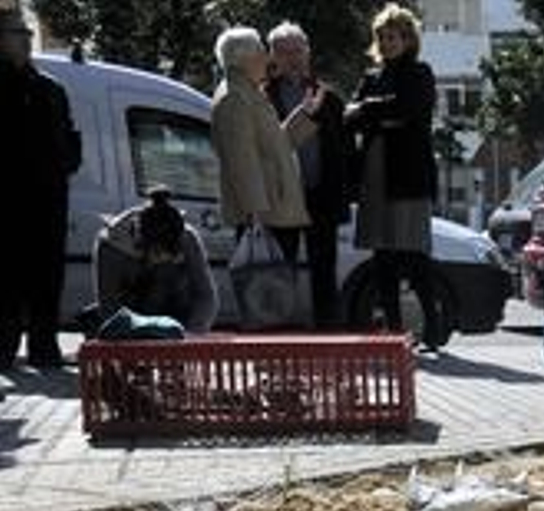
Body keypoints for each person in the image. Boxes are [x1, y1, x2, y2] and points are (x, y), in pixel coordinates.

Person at [346, 5, 445, 349]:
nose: (387, 43)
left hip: (410, 177)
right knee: (383, 258)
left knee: (415, 256)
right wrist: (380, 112)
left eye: (394, 37)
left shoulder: (421, 73)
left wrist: (371, 110)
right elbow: (351, 118)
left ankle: (433, 328)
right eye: (383, 37)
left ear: (408, 39)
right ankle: (394, 331)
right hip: (376, 175)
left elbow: (408, 109)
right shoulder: (371, 77)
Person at [0, 5, 81, 370]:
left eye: (29, 34)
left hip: (48, 200)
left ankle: (44, 348)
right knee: (8, 280)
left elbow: (71, 142)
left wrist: (63, 166)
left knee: (47, 277)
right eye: (19, 33)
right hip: (9, 201)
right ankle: (4, 351)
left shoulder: (51, 89)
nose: (27, 40)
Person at [266, 21, 348, 330]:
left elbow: (343, 153)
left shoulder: (328, 97)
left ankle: (327, 331)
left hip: (321, 195)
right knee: (279, 268)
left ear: (308, 53)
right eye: (284, 52)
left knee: (324, 267)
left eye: (298, 50)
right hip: (282, 196)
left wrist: (344, 196)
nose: (293, 58)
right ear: (273, 56)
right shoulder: (262, 96)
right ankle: (279, 334)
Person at [212, 27, 314, 271]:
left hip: (274, 210)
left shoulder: (247, 91)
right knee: (268, 296)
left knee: (277, 293)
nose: (267, 58)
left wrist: (305, 114)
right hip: (267, 217)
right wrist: (256, 216)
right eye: (261, 51)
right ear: (244, 58)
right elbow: (242, 162)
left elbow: (275, 143)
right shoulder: (234, 97)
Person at [91, 187, 217, 333]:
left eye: (170, 253)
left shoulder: (187, 237)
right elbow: (108, 304)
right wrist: (132, 336)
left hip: (174, 310)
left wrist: (194, 333)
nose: (163, 258)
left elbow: (205, 296)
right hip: (130, 312)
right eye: (158, 252)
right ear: (141, 241)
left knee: (170, 277)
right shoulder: (111, 245)